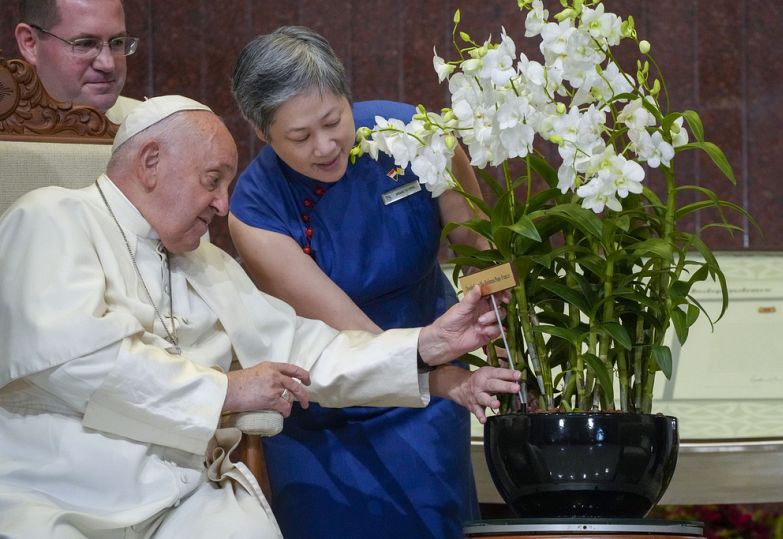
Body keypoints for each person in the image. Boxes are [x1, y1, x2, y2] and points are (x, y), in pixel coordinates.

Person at [0, 95, 521, 539]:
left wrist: (423, 347)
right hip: (61, 491)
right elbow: (77, 362)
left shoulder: (206, 263)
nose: (223, 205)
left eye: (227, 184)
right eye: (212, 180)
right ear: (151, 162)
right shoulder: (50, 217)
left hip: (185, 499)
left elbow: (301, 346)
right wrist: (227, 392)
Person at [229, 26, 497, 539]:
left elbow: (477, 245)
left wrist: (500, 330)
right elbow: (348, 333)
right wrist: (443, 379)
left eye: (334, 120)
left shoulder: (413, 134)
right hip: (328, 402)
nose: (326, 146)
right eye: (300, 137)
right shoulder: (255, 210)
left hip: (430, 398)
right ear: (262, 133)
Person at [14, 0, 140, 123]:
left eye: (117, 42)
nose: (108, 65)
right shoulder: (6, 135)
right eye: (85, 43)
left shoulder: (148, 123)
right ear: (30, 43)